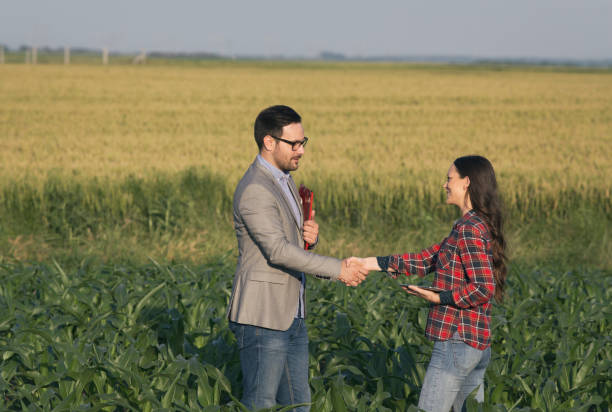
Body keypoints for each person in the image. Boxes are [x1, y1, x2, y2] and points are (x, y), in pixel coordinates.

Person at [227, 105, 368, 411]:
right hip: (263, 317)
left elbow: (290, 247)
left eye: (304, 142)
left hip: (292, 313)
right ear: (269, 142)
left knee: (298, 404)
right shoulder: (255, 189)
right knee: (261, 404)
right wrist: (338, 269)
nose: (301, 150)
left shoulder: (284, 180)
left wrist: (309, 239)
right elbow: (277, 251)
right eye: (294, 144)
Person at [353, 155, 507, 412]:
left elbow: (483, 287)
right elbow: (428, 259)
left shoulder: (469, 229)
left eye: (449, 179)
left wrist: (440, 298)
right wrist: (369, 262)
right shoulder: (474, 225)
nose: (444, 184)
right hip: (476, 342)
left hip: (457, 340)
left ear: (466, 182)